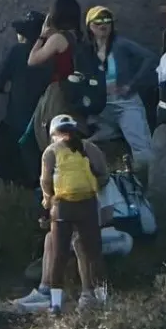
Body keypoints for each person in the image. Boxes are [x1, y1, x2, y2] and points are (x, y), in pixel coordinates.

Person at [38, 115, 110, 312]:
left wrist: (48, 201)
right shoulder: (90, 148)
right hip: (87, 204)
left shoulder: (51, 151)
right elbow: (104, 175)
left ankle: (55, 304)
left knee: (59, 254)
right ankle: (100, 298)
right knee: (93, 252)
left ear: (54, 133)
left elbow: (46, 182)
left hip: (62, 207)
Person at [84, 6, 156, 172]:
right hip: (101, 108)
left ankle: (151, 187)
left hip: (126, 103)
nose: (103, 24)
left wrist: (132, 84)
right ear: (89, 25)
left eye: (107, 20)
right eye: (98, 21)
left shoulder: (121, 44)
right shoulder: (86, 49)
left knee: (144, 151)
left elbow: (149, 58)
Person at [27, 0, 96, 150]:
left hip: (60, 93)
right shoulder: (79, 38)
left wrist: (42, 36)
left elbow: (33, 60)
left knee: (56, 138)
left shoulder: (58, 38)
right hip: (77, 92)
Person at [0, 12, 51, 185]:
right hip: (43, 124)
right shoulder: (51, 54)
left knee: (7, 174)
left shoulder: (17, 51)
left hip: (15, 123)